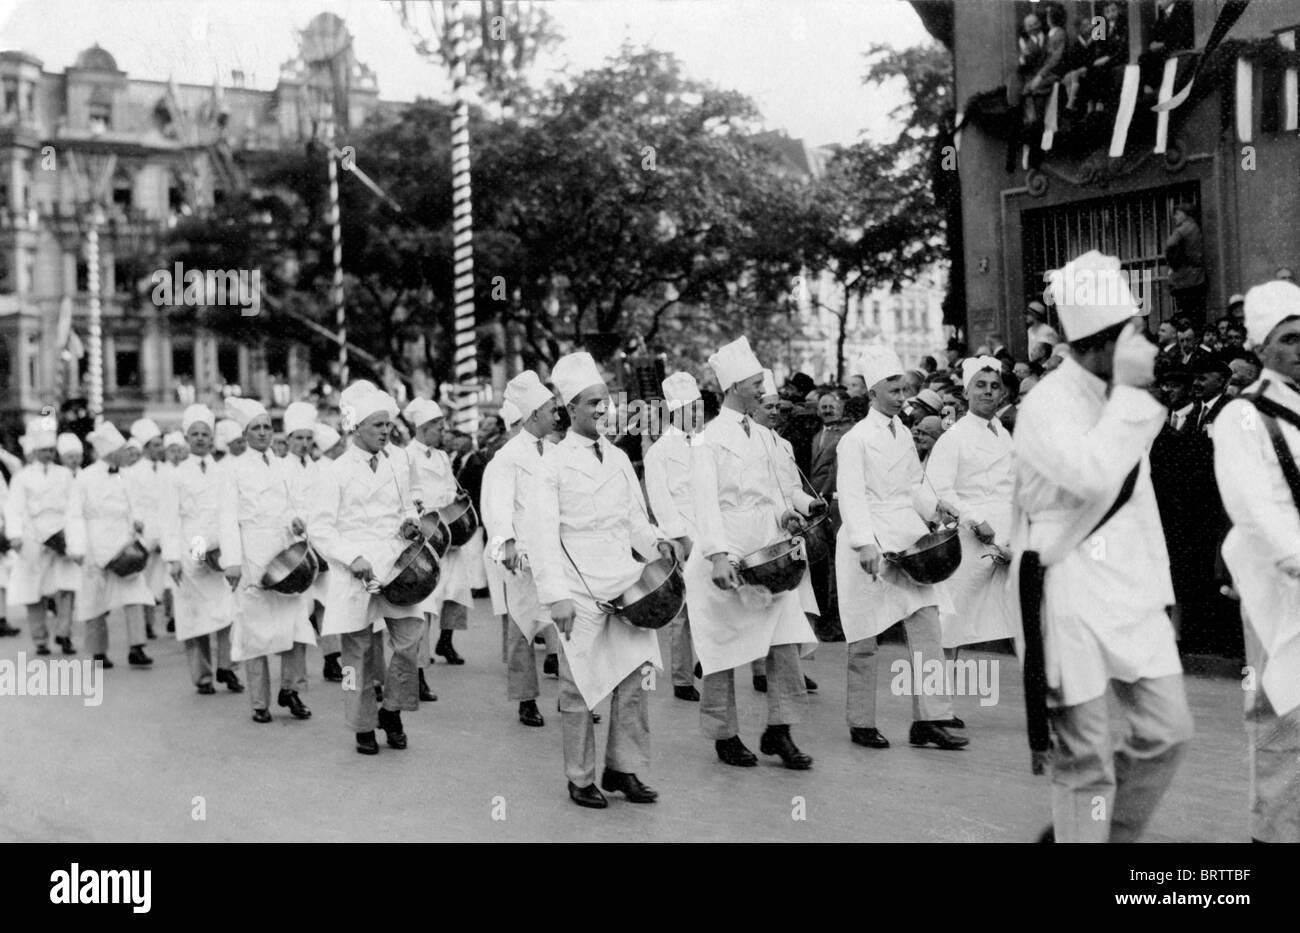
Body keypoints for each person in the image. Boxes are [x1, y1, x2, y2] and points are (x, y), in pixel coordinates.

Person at [1014, 250, 1191, 843]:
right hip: (1067, 585)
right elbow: (1091, 476)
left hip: (1130, 589)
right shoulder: (1046, 404)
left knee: (1168, 730)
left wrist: (1162, 592)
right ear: (1102, 340)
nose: (1145, 344)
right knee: (1084, 757)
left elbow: (1140, 505)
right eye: (1133, 333)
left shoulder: (1119, 397)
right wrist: (1135, 394)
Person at [530, 351, 677, 808]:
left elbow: (635, 519)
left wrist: (657, 544)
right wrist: (556, 596)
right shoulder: (550, 464)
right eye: (592, 402)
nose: (601, 408)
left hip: (625, 580)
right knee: (580, 686)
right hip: (577, 588)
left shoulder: (617, 458)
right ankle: (580, 777)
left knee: (634, 677)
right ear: (570, 408)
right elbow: (541, 536)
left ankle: (623, 768)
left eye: (605, 401)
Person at [684, 337, 820, 771]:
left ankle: (781, 729)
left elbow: (774, 492)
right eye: (756, 383)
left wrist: (786, 515)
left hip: (769, 551)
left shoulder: (765, 437)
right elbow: (704, 503)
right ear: (733, 387)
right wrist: (718, 555)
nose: (764, 390)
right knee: (723, 647)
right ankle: (724, 733)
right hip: (726, 549)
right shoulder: (706, 440)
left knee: (785, 641)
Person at [835, 345, 967, 752]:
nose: (901, 397)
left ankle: (930, 719)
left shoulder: (903, 434)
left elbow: (913, 486)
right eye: (893, 390)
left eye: (903, 389)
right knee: (864, 636)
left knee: (927, 624)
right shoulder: (854, 440)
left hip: (907, 538)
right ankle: (861, 721)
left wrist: (934, 507)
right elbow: (851, 496)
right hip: (868, 541)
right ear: (873, 392)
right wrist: (864, 543)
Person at [1212, 279, 1300, 842]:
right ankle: (1273, 835)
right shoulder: (1242, 416)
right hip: (1277, 588)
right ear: (1261, 346)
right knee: (1283, 716)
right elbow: (1256, 507)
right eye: (1289, 339)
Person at [311, 382, 426, 755]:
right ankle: (360, 722)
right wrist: (351, 558)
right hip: (354, 569)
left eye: (388, 424)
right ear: (356, 427)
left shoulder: (397, 461)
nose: (385, 431)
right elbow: (321, 528)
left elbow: (407, 506)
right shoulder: (336, 471)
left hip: (395, 563)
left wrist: (409, 523)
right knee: (355, 656)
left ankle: (391, 710)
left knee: (410, 641)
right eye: (377, 425)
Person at [218, 397, 315, 724]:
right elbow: (227, 517)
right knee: (255, 632)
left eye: (267, 427)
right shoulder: (233, 468)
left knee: (296, 627)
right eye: (256, 428)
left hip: (285, 554)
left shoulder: (283, 465)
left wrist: (297, 522)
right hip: (252, 554)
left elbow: (293, 506)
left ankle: (291, 689)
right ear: (245, 433)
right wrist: (232, 561)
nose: (262, 433)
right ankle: (259, 702)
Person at [482, 372, 563, 725]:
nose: (556, 415)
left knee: (568, 626)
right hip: (523, 556)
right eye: (551, 410)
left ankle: (573, 697)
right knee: (523, 628)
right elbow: (497, 506)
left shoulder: (558, 452)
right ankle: (526, 699)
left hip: (558, 552)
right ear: (533, 414)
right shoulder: (507, 456)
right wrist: (507, 545)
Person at [927, 357, 1016, 670]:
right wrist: (974, 519)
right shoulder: (953, 436)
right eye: (980, 385)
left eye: (994, 386)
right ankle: (936, 695)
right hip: (970, 541)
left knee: (1019, 618)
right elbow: (940, 489)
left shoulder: (1004, 434)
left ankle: (1041, 695)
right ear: (966, 392)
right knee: (952, 620)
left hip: (1007, 536)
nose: (988, 392)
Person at [162, 404, 241, 695]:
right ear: (186, 438)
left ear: (212, 438)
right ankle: (203, 675)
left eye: (205, 433)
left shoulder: (223, 471)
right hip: (190, 546)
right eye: (194, 434)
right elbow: (169, 517)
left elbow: (230, 513)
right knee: (194, 614)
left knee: (226, 611)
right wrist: (172, 558)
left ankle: (227, 667)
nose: (200, 438)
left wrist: (231, 552)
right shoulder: (175, 475)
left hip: (218, 546)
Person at [67, 422, 155, 669]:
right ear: (110, 452)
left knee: (134, 592)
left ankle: (137, 646)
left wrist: (138, 520)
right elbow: (74, 514)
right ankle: (98, 651)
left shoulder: (127, 475)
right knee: (95, 597)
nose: (126, 453)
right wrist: (77, 546)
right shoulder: (85, 477)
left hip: (124, 540)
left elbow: (137, 503)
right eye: (122, 449)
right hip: (95, 541)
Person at [643, 371, 704, 702]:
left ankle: (707, 659)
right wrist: (682, 539)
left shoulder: (703, 445)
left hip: (708, 532)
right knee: (682, 611)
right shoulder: (660, 452)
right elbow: (661, 502)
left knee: (711, 602)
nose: (696, 414)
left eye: (698, 407)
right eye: (690, 409)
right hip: (680, 538)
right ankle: (682, 678)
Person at [405, 396, 470, 701]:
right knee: (424, 608)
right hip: (425, 538)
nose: (443, 432)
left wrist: (455, 498)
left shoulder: (443, 457)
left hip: (449, 534)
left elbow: (451, 487)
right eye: (438, 427)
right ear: (423, 428)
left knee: (455, 592)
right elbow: (408, 496)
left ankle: (446, 641)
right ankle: (417, 672)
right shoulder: (406, 456)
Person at [5, 424, 79, 656]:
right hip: (33, 536)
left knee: (66, 587)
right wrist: (15, 535)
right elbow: (14, 509)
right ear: (35, 451)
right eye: (44, 450)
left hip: (60, 534)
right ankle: (40, 638)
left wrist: (71, 536)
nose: (48, 454)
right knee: (33, 590)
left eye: (51, 450)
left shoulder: (64, 475)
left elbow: (73, 507)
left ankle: (64, 633)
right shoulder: (22, 477)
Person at [125, 418, 171, 641]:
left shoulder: (168, 471)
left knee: (158, 580)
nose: (160, 449)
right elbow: (132, 503)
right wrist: (139, 526)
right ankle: (143, 624)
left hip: (164, 530)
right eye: (155, 445)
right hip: (143, 532)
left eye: (160, 444)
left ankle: (151, 622)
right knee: (141, 579)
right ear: (145, 448)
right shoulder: (133, 472)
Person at [1166, 203, 1207, 322]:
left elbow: (1170, 244)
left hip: (1184, 279)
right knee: (1197, 314)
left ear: (1185, 215)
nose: (1175, 217)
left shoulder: (1183, 229)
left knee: (1185, 314)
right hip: (1198, 277)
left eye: (1177, 214)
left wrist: (1173, 263)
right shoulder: (1196, 227)